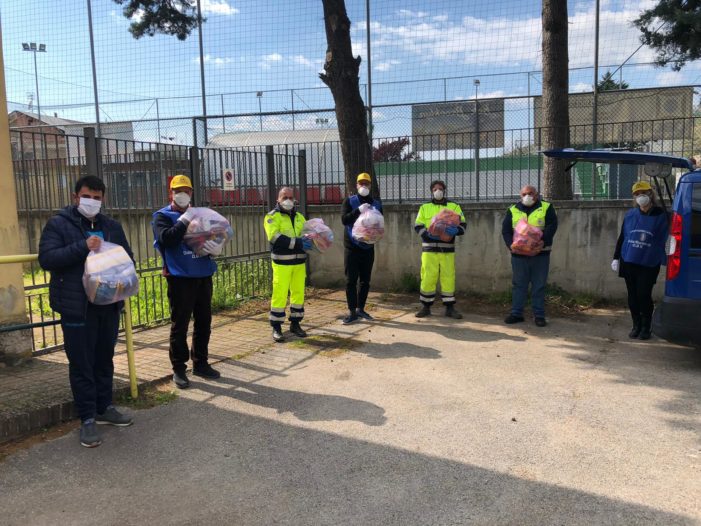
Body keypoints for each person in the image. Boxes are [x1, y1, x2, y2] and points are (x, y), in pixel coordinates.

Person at [38, 175, 134, 448]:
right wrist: (83, 246)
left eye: (97, 197)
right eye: (87, 196)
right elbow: (47, 259)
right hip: (77, 308)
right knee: (82, 363)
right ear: (75, 197)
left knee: (104, 359)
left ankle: (104, 408)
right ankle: (88, 418)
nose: (92, 201)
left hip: (108, 304)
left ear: (103, 199)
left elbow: (127, 258)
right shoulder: (59, 224)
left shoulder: (112, 226)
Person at [152, 175, 222, 389]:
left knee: (204, 322)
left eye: (186, 190)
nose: (182, 194)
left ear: (191, 193)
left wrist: (216, 247)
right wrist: (184, 219)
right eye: (178, 190)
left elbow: (214, 235)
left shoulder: (201, 215)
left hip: (202, 273)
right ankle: (179, 368)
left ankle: (200, 363)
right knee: (180, 324)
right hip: (179, 277)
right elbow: (168, 239)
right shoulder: (162, 216)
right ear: (170, 193)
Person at [611, 181, 668, 340]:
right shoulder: (630, 215)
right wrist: (616, 257)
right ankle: (636, 324)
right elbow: (623, 236)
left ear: (651, 194)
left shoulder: (661, 215)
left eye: (643, 193)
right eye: (637, 194)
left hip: (649, 261)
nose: (640, 196)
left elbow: (667, 237)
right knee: (633, 296)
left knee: (643, 294)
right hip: (629, 259)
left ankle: (646, 325)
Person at [501, 185, 558, 327]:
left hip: (540, 254)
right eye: (524, 194)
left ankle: (539, 315)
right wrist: (510, 246)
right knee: (519, 285)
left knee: (539, 285)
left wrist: (543, 242)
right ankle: (516, 313)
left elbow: (552, 225)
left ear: (536, 194)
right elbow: (506, 230)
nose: (528, 196)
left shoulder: (546, 207)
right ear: (520, 196)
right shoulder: (512, 210)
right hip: (519, 255)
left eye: (531, 193)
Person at [264, 187, 311, 342]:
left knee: (298, 294)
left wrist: (313, 237)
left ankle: (295, 324)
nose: (288, 200)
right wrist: (299, 242)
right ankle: (276, 327)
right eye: (285, 197)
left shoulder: (299, 217)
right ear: (278, 199)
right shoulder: (272, 217)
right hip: (282, 264)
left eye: (291, 197)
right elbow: (275, 237)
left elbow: (307, 233)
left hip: (299, 263)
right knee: (280, 295)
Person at [414, 180, 466, 319]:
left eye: (441, 189)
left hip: (447, 250)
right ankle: (425, 307)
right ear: (431, 191)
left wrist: (455, 230)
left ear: (444, 190)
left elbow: (463, 226)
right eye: (435, 189)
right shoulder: (424, 207)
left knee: (448, 277)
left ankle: (450, 308)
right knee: (427, 277)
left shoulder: (454, 207)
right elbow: (418, 226)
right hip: (429, 250)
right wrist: (428, 235)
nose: (438, 191)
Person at [340, 173, 383, 324]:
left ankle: (361, 309)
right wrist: (358, 210)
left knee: (365, 280)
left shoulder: (376, 203)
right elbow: (344, 220)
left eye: (366, 183)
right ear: (356, 185)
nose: (364, 186)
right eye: (361, 183)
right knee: (351, 280)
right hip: (352, 247)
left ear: (370, 186)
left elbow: (379, 224)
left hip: (368, 248)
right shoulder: (350, 201)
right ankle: (352, 311)